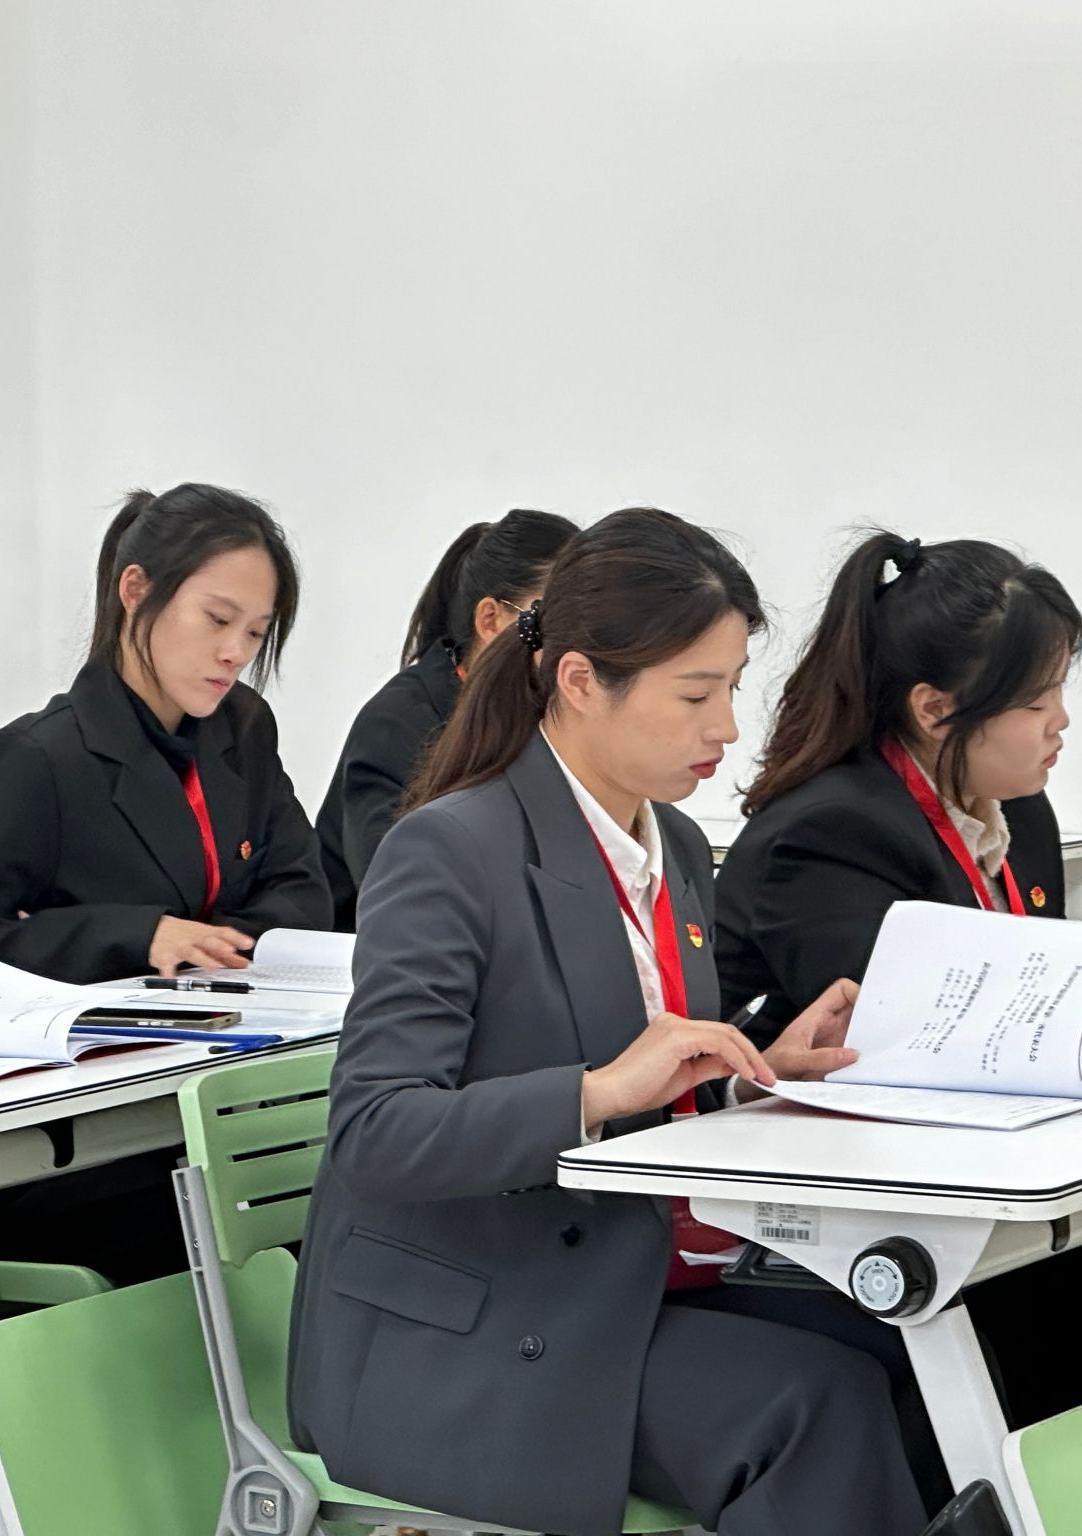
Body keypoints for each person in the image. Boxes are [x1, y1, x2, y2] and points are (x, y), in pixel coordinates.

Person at [290, 508, 934, 1536]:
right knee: (812, 1402)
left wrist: (750, 1074)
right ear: (581, 681)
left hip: (615, 1277)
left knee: (910, 1345)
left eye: (731, 689)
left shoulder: (673, 847)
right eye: (696, 694)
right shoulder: (447, 851)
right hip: (468, 1329)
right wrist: (594, 1095)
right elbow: (375, 1131)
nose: (726, 728)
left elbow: (644, 1088)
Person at [713, 530, 1082, 1424]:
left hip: (991, 1172)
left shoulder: (1017, 813)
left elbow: (1032, 973)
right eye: (1038, 700)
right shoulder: (828, 832)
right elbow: (918, 1021)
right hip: (846, 1208)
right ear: (936, 709)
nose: (1061, 723)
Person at [0, 482, 330, 984]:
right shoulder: (37, 757)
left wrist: (205, 948)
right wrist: (139, 935)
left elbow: (303, 893)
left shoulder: (245, 725)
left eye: (255, 631)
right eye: (218, 619)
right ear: (136, 590)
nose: (235, 652)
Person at [316, 509, 576, 927]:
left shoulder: (556, 716)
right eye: (558, 621)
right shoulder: (397, 723)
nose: (578, 644)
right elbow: (395, 887)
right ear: (490, 619)